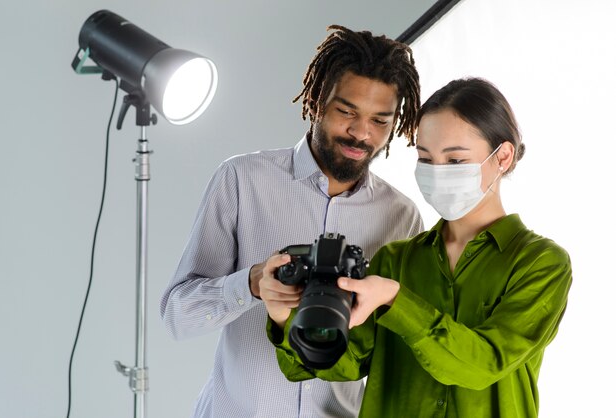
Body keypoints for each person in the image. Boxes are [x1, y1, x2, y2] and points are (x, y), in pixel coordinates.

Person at [265, 77, 573, 418]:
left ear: (502, 157)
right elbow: (344, 363)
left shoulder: (541, 263)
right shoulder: (395, 260)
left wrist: (398, 301)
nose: (437, 173)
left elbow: (481, 365)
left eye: (455, 161)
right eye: (426, 159)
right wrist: (284, 316)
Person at [160, 25, 423, 417]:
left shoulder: (401, 217)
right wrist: (251, 284)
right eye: (346, 112)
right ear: (317, 100)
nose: (361, 133)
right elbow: (177, 316)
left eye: (380, 121)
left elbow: (399, 353)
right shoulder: (242, 180)